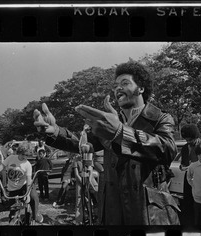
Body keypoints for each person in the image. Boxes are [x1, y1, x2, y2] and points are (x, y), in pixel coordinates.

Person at [33, 61, 179, 225]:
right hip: (113, 210)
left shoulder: (161, 118)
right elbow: (82, 142)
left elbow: (167, 149)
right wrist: (55, 131)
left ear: (141, 88)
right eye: (116, 85)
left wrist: (120, 132)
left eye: (125, 83)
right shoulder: (110, 123)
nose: (118, 88)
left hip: (148, 214)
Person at [0, 144, 43, 223]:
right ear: (19, 152)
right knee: (13, 211)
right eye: (23, 154)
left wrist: (27, 194)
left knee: (33, 197)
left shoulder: (27, 165)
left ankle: (35, 214)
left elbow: (29, 181)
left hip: (24, 186)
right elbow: (1, 167)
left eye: (27, 155)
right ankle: (13, 221)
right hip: (13, 188)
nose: (25, 157)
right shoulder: (11, 158)